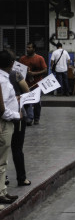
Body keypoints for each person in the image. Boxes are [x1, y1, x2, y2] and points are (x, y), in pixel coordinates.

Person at [0, 50, 21, 204]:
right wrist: (16, 115)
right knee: (1, 160)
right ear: (11, 64)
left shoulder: (4, 78)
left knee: (3, 161)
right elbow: (2, 108)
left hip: (7, 122)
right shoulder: (2, 80)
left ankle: (2, 191)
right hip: (4, 123)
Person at [9, 59, 30, 187]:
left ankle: (3, 177)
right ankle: (21, 178)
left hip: (3, 116)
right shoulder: (16, 74)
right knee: (17, 148)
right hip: (17, 114)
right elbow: (27, 90)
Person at [19, 42, 46, 125]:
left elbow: (45, 70)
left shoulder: (39, 58)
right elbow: (19, 70)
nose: (27, 49)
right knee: (27, 101)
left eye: (29, 47)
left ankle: (36, 118)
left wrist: (34, 74)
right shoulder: (23, 59)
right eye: (27, 47)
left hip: (37, 84)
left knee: (37, 102)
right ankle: (29, 118)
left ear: (34, 49)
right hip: (26, 84)